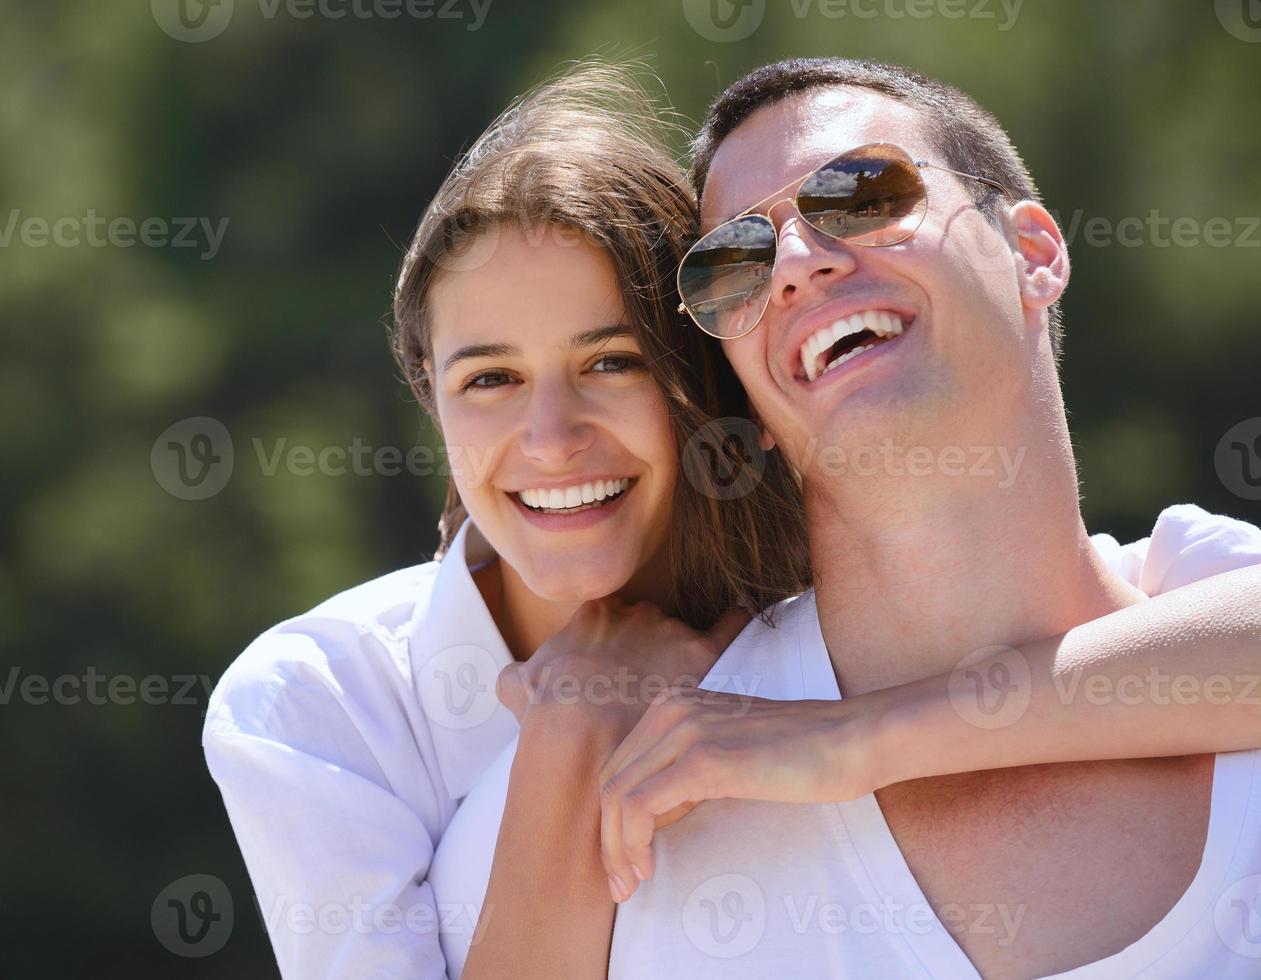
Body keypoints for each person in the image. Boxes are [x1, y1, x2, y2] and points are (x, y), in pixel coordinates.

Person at [203, 62, 1261, 980]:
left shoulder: (1192, 605)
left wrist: (849, 742)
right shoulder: (573, 805)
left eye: (861, 189)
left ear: (1032, 247)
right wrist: (568, 736)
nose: (797, 261)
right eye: (735, 262)